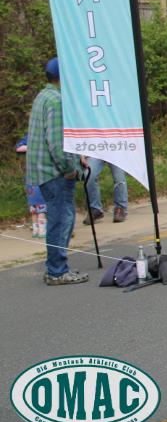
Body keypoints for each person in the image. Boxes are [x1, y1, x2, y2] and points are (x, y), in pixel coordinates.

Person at [26, 58, 89, 284]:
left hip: (42, 170)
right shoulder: (57, 101)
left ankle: (56, 268)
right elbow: (56, 142)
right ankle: (57, 271)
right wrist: (69, 168)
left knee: (59, 218)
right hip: (54, 172)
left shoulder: (43, 96)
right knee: (61, 220)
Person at [16, 136, 47, 238]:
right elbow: (18, 148)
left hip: (33, 182)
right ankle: (41, 230)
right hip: (37, 182)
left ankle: (36, 230)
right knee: (40, 209)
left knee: (34, 209)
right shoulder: (31, 136)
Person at [83, 157, 128, 224]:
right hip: (96, 152)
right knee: (89, 176)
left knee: (119, 179)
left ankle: (120, 208)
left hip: (116, 152)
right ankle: (95, 209)